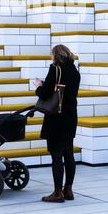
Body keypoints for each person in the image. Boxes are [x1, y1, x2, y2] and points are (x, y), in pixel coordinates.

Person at [34, 44, 81, 203]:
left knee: (56, 155)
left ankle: (57, 192)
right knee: (68, 154)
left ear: (56, 55)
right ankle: (68, 190)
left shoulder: (55, 69)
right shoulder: (75, 71)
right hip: (70, 116)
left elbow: (46, 92)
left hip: (56, 117)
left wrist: (39, 87)